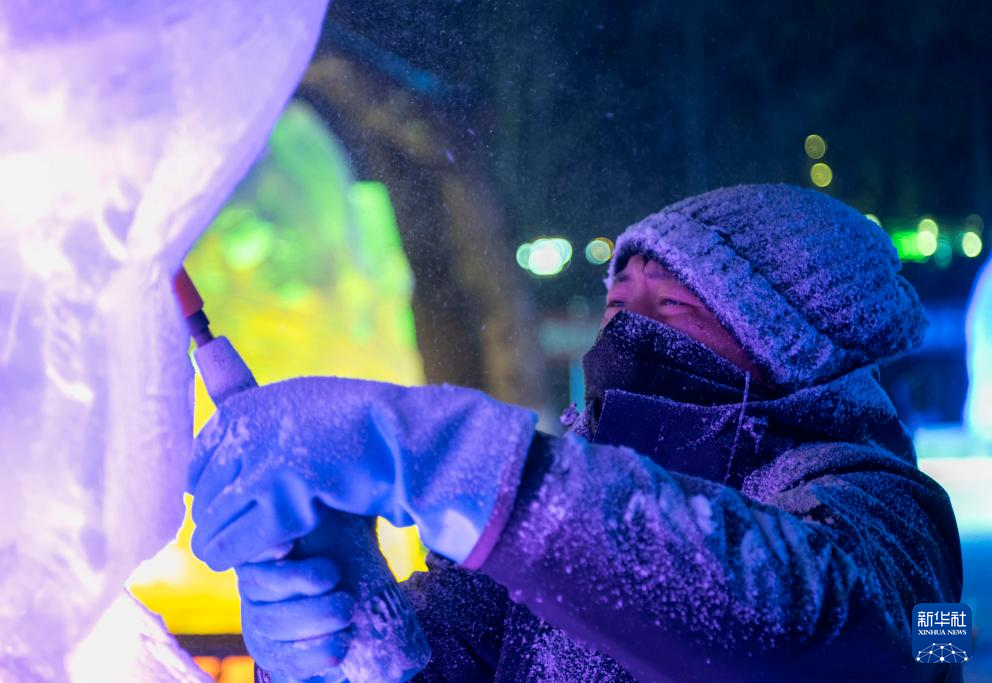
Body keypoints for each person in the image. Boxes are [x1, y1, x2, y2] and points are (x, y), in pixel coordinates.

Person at [187, 184, 963, 682]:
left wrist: (454, 459)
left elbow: (828, 635)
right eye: (618, 304)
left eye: (674, 306)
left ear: (790, 344)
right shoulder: (546, 557)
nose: (627, 326)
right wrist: (353, 635)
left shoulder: (897, 512)